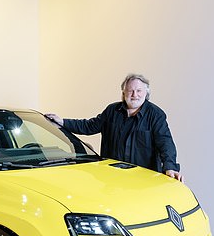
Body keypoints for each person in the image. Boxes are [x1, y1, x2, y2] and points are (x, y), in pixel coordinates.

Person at [46, 74, 183, 181]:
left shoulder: (156, 114)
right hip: (112, 179)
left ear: (146, 93)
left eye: (139, 91)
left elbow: (165, 143)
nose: (134, 95)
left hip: (143, 180)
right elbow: (89, 126)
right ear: (124, 93)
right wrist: (62, 122)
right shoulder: (112, 110)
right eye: (130, 91)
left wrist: (170, 167)